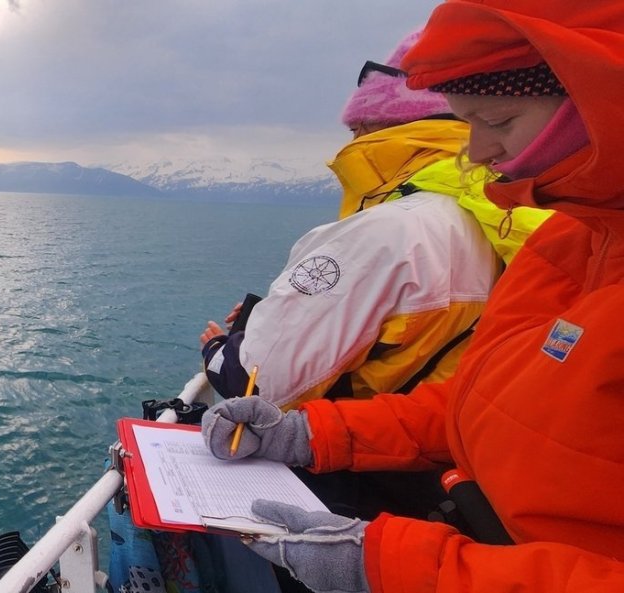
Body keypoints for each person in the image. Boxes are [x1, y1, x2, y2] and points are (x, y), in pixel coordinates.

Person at [201, 2, 624, 592]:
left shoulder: (397, 228)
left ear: (600, 103)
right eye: (467, 122)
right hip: (469, 523)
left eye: (498, 120)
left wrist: (390, 566)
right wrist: (312, 434)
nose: (478, 151)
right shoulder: (567, 243)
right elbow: (482, 404)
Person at [200, 30, 550, 412]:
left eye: (355, 129)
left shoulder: (390, 230)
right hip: (454, 428)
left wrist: (218, 349)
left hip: (359, 440)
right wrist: (277, 316)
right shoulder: (503, 211)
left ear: (380, 126)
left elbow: (256, 384)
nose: (349, 143)